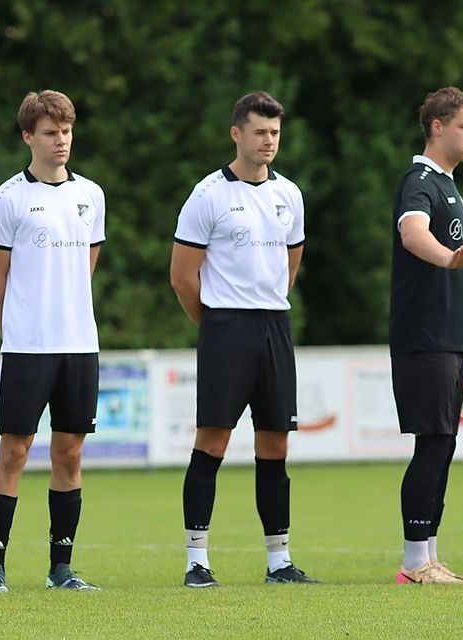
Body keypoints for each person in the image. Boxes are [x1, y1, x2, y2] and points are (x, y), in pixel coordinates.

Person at [170, 91, 317, 588]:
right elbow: (182, 276)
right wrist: (213, 325)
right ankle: (197, 560)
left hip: (274, 325)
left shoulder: (289, 194)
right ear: (237, 134)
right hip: (226, 327)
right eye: (259, 131)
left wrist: (268, 304)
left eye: (275, 132)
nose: (269, 141)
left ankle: (279, 561)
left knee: (275, 444)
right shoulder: (209, 194)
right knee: (212, 441)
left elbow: (289, 264)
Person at [0, 90, 105, 593]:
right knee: (15, 451)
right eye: (51, 133)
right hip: (28, 347)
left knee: (69, 454)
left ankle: (61, 569)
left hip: (80, 344)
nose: (61, 141)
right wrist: (14, 332)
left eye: (67, 131)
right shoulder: (8, 198)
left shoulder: (91, 195)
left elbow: (87, 265)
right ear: (28, 136)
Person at [390, 87, 463, 586]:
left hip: (449, 338)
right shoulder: (421, 181)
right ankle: (414, 563)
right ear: (437, 126)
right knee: (432, 443)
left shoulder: (450, 185)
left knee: (445, 443)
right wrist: (448, 258)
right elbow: (413, 232)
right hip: (424, 336)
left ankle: (429, 557)